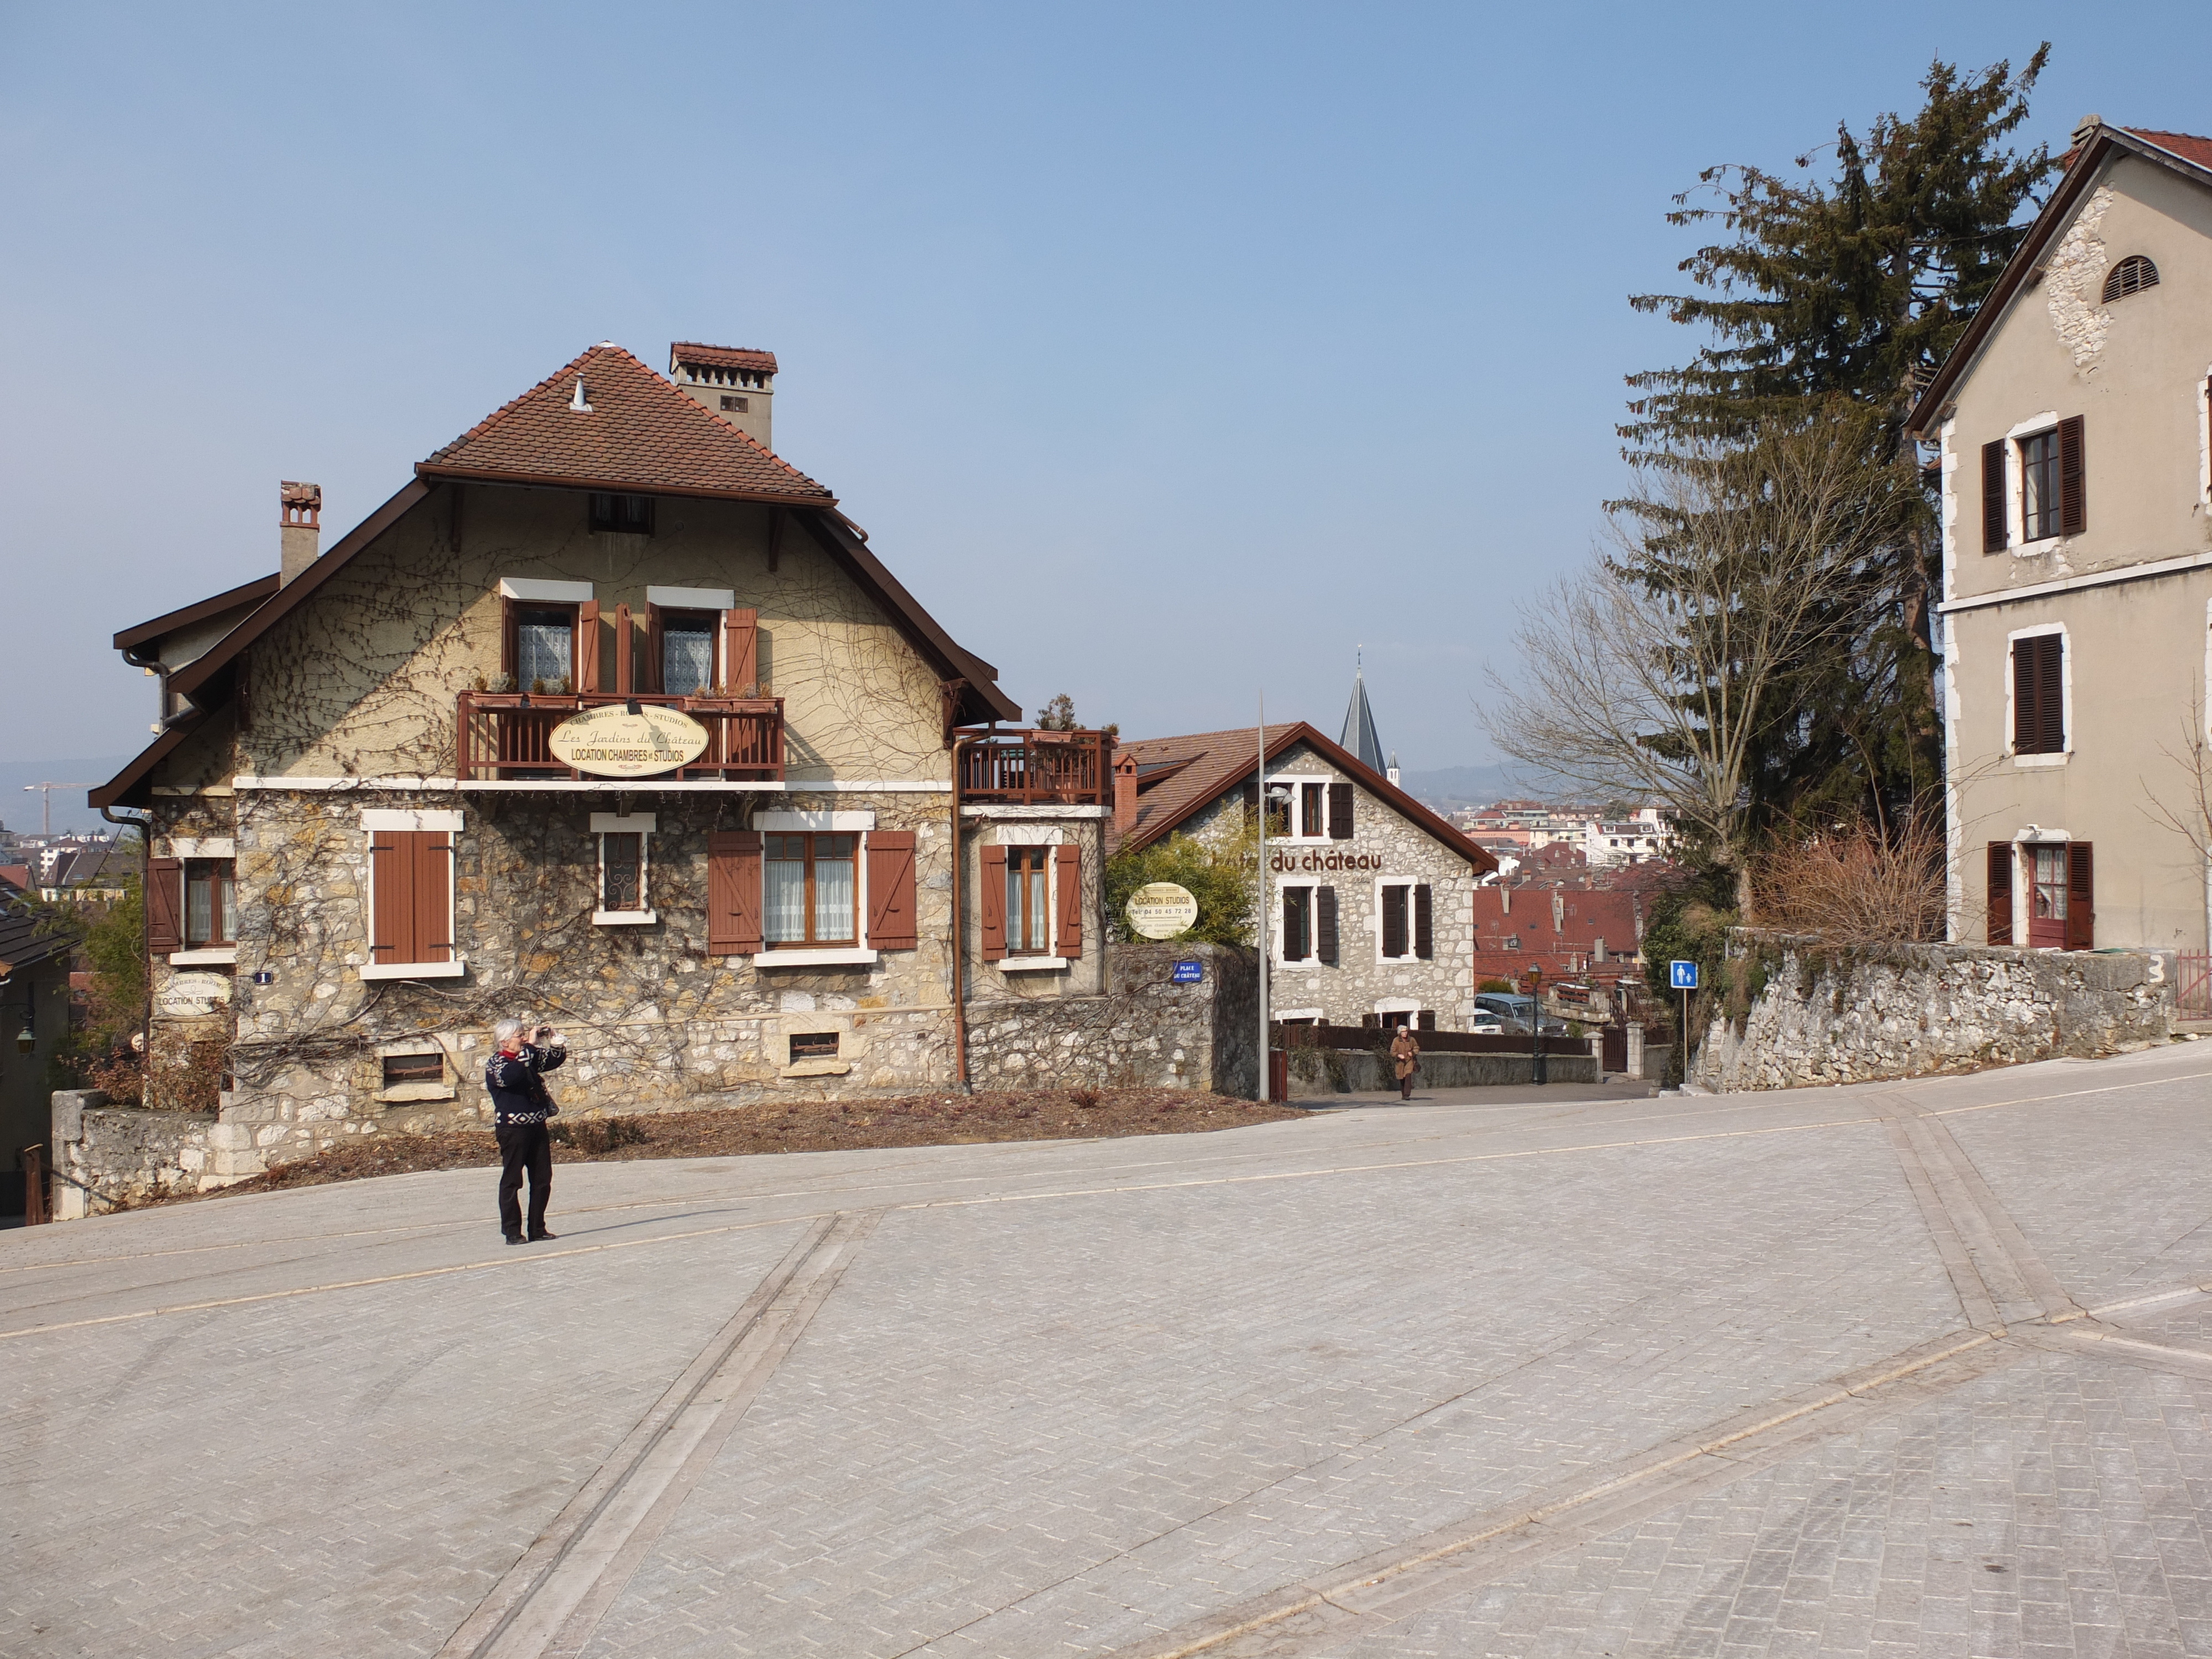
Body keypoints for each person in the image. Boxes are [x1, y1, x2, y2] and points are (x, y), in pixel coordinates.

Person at [486, 1017, 565, 1244]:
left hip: (536, 1127)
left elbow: (553, 1061)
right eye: (519, 1035)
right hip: (512, 1130)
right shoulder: (497, 1065)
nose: (523, 1038)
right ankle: (512, 1232)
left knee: (542, 1179)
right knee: (513, 1180)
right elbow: (513, 1075)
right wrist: (530, 1046)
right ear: (504, 1042)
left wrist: (555, 1041)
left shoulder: (527, 1057)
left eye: (524, 1034)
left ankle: (537, 1228)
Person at [1390, 1023, 1421, 1101]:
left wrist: (1413, 1053)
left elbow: (1417, 1048)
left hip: (1409, 1061)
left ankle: (1407, 1094)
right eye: (1403, 1032)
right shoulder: (1396, 1041)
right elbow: (1392, 1052)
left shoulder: (1412, 1040)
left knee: (1408, 1075)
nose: (1405, 1033)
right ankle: (1403, 1094)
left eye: (1406, 1031)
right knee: (1402, 1078)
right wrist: (1398, 1055)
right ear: (1400, 1033)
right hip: (1400, 1062)